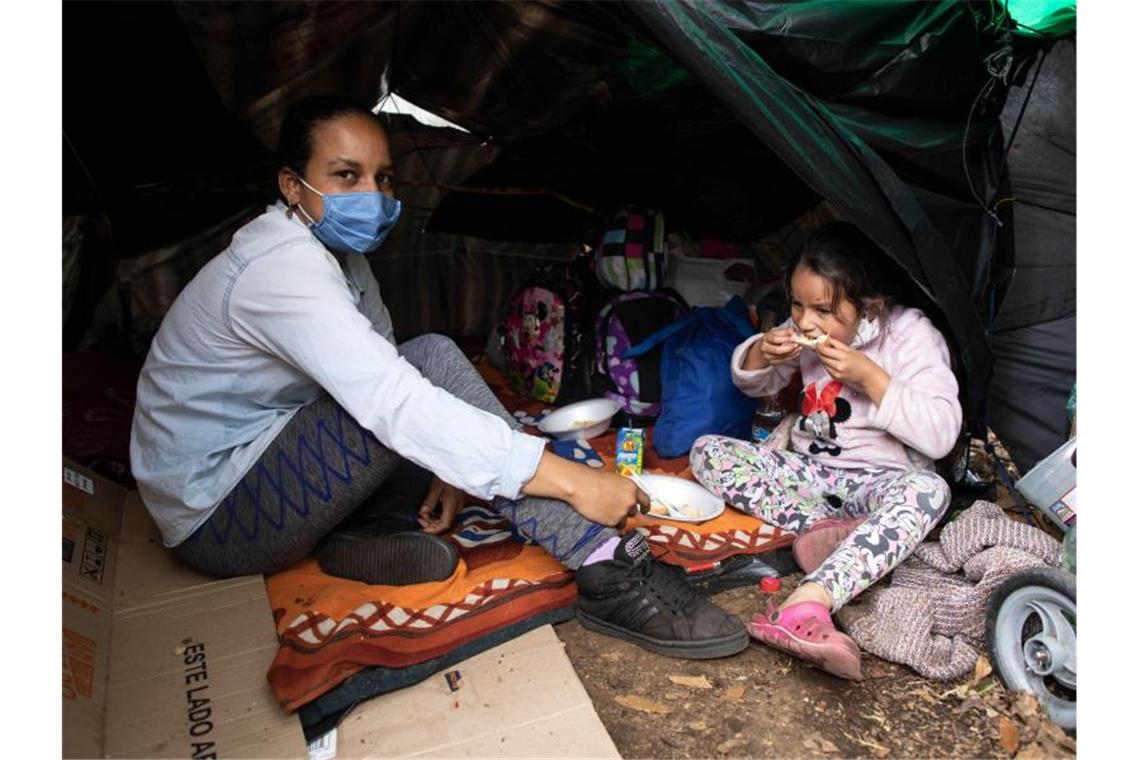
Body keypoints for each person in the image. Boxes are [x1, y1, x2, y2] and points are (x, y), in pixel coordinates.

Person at [129, 94, 747, 660]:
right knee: (426, 368)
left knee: (432, 387)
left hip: (276, 458)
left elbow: (387, 379)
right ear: (293, 185)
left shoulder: (338, 260)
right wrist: (568, 479)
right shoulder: (279, 268)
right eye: (346, 175)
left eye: (383, 177)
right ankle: (603, 560)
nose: (371, 194)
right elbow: (393, 395)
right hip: (218, 514)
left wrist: (445, 464)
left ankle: (355, 532)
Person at [689, 223, 962, 679]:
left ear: (869, 303)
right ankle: (827, 531)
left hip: (882, 481)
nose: (806, 320)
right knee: (707, 451)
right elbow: (756, 383)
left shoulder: (911, 335)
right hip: (811, 478)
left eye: (823, 309)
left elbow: (941, 434)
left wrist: (871, 377)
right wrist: (763, 350)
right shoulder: (803, 329)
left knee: (930, 491)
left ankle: (809, 601)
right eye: (797, 303)